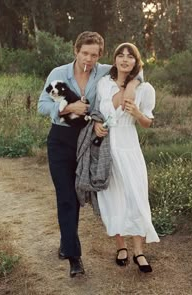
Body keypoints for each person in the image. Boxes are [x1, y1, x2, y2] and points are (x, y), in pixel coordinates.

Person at [37, 32, 141, 278]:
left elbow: (134, 68)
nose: (89, 58)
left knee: (81, 194)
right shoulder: (59, 75)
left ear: (100, 56)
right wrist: (67, 107)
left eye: (94, 55)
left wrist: (134, 84)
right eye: (85, 53)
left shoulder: (104, 72)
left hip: (88, 142)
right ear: (76, 51)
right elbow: (43, 105)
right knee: (66, 198)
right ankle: (74, 258)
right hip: (61, 141)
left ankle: (66, 242)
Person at [95, 43, 160, 273]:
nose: (124, 59)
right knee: (114, 197)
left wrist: (137, 113)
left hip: (130, 146)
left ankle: (139, 252)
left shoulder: (146, 89)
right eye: (120, 55)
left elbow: (147, 123)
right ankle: (121, 246)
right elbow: (104, 109)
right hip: (108, 145)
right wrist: (127, 86)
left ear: (136, 62)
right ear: (114, 60)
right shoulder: (104, 83)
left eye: (130, 56)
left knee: (136, 195)